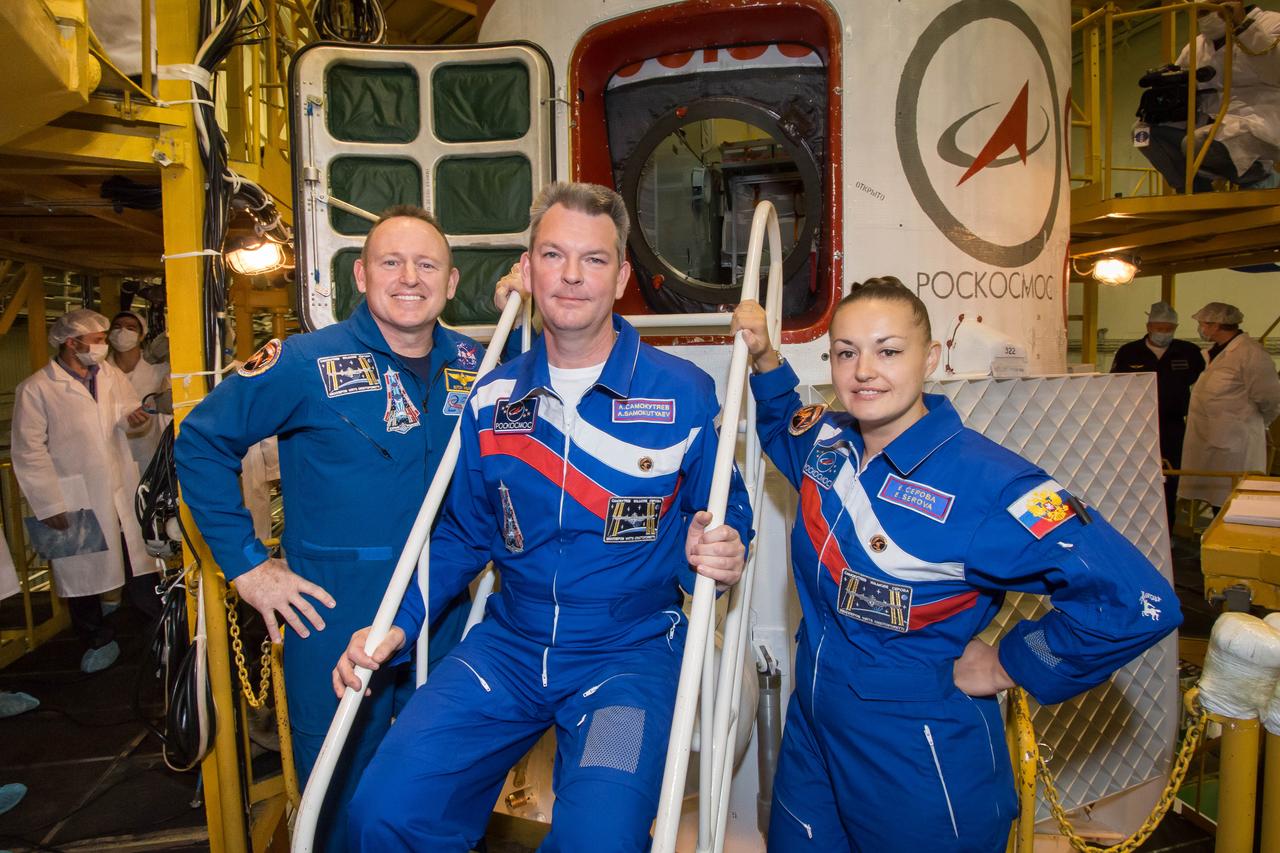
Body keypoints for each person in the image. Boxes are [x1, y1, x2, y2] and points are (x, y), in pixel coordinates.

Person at [337, 182, 752, 852]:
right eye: (553, 255)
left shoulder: (684, 393)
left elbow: (725, 511)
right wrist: (396, 624)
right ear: (527, 272)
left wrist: (724, 547)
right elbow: (466, 533)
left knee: (601, 840)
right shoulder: (494, 398)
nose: (571, 275)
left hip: (629, 655)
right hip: (510, 645)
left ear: (620, 278)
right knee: (382, 810)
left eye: (593, 260)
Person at [731, 278, 1181, 851]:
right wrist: (767, 357)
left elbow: (1137, 603)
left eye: (888, 350)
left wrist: (1008, 663)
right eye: (847, 352)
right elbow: (780, 422)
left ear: (932, 358)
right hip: (815, 736)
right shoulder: (827, 448)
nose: (864, 370)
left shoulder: (991, 483)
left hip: (919, 756)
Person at [175, 206, 478, 852]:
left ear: (451, 284)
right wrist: (249, 566)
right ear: (361, 275)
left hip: (442, 622)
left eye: (427, 264)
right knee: (336, 805)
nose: (409, 278)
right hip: (334, 620)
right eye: (391, 262)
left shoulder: (479, 368)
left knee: (443, 798)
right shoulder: (305, 361)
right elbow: (200, 441)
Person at [11, 309, 157, 673]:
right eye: (96, 340)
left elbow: (123, 413)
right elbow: (29, 450)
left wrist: (132, 419)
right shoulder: (35, 389)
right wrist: (48, 503)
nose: (104, 345)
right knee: (81, 574)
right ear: (71, 343)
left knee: (138, 560)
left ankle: (158, 627)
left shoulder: (107, 375)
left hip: (117, 484)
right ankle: (96, 639)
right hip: (70, 494)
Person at [1135, 0, 1280, 192]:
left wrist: (1243, 27)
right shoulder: (1195, 46)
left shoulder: (1273, 23)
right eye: (1200, 13)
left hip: (1261, 118)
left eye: (1208, 9)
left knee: (1196, 143)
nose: (1204, 17)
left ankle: (1261, 176)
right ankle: (1194, 189)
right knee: (1142, 133)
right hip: (1211, 120)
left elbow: (1275, 71)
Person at [1110, 301, 1205, 525]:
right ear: (1148, 326)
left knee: (1170, 479)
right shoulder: (1129, 352)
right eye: (1159, 328)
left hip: (1173, 427)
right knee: (1136, 477)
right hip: (1136, 426)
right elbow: (1114, 386)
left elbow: (1205, 387)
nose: (1163, 333)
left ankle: (1168, 529)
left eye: (1168, 329)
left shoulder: (1188, 352)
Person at [1179, 301, 1280, 510]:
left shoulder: (1250, 353)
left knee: (1234, 502)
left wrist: (1256, 423)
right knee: (1214, 497)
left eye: (1204, 324)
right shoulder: (1212, 353)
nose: (1201, 328)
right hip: (1210, 440)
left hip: (1236, 444)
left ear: (1217, 325)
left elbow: (1269, 397)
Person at [106, 309, 170, 474]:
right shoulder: (101, 370)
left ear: (141, 335)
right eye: (117, 326)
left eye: (131, 327)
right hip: (113, 449)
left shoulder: (157, 367)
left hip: (149, 448)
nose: (122, 331)